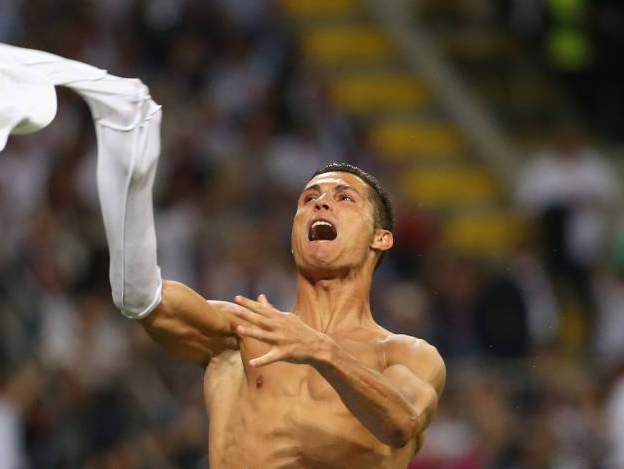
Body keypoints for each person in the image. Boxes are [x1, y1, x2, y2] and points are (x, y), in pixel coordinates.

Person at [99, 120, 447, 467]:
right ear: (294, 235)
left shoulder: (406, 355)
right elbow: (139, 296)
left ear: (380, 238)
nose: (321, 204)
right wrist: (132, 189)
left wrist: (323, 351)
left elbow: (402, 423)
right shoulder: (240, 334)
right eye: (309, 198)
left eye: (344, 198)